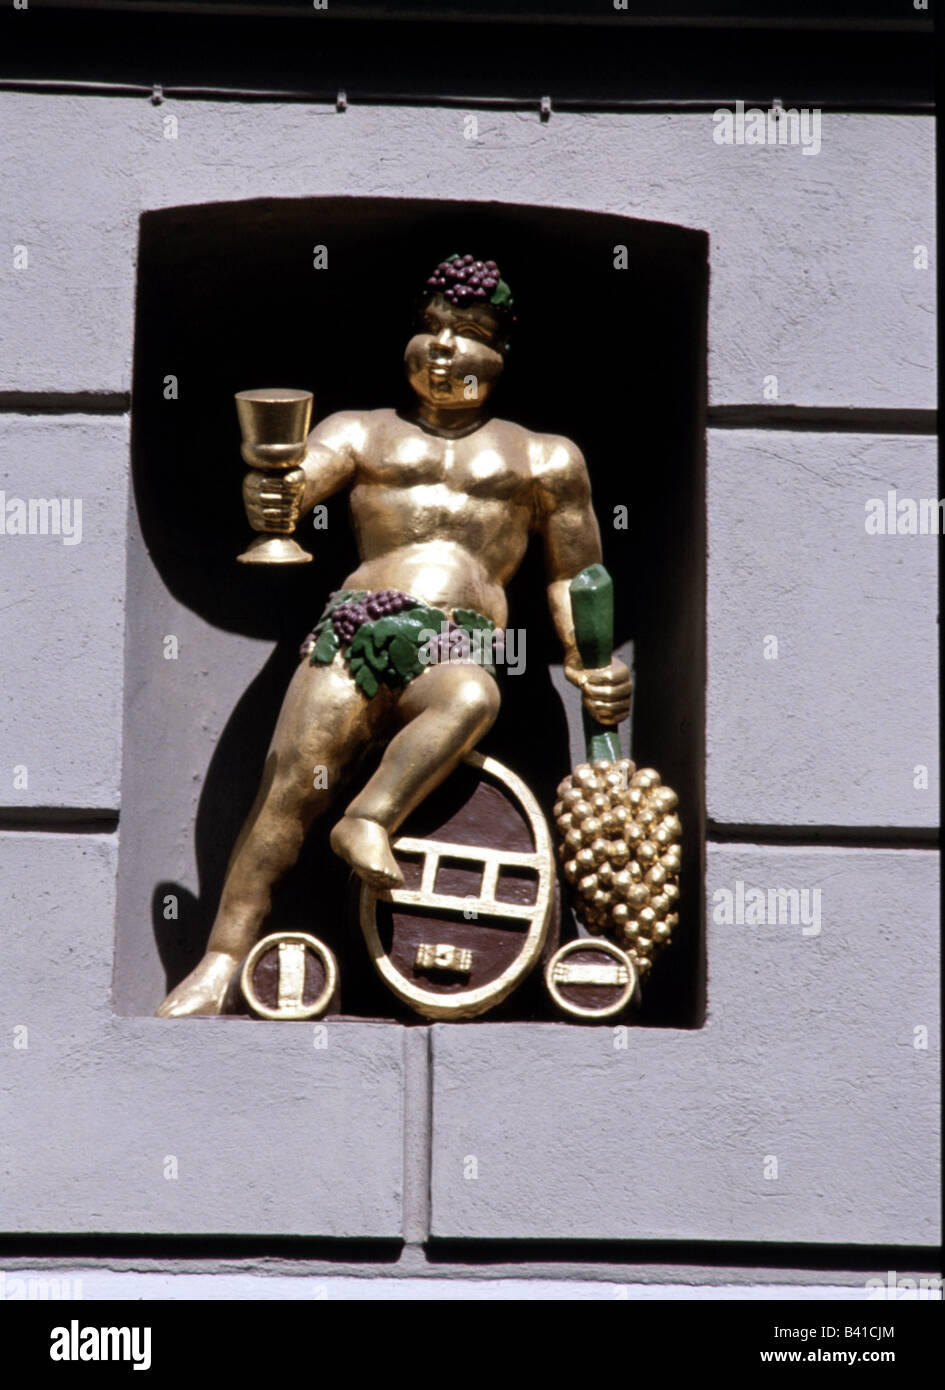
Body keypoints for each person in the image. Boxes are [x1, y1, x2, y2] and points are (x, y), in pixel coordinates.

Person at [157, 253, 630, 1016]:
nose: (443, 347)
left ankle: (367, 819)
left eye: (468, 332)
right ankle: (219, 960)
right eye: (431, 327)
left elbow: (572, 578)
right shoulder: (363, 431)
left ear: (500, 353)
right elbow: (295, 482)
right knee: (285, 791)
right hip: (357, 632)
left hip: (457, 645)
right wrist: (271, 486)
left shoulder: (544, 458)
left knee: (473, 696)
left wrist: (591, 662)